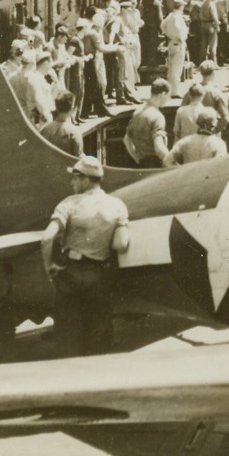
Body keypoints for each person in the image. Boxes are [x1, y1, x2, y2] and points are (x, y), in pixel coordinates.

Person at [40, 156, 130, 357]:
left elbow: (46, 238)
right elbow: (121, 244)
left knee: (68, 338)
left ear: (85, 180)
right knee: (99, 337)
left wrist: (49, 266)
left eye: (75, 178)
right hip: (99, 276)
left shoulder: (69, 204)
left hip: (70, 274)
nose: (72, 182)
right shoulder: (117, 206)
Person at [124, 79, 170, 167]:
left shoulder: (137, 112)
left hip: (141, 164)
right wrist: (173, 164)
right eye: (168, 96)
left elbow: (126, 140)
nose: (168, 99)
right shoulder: (158, 116)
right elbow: (159, 148)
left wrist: (137, 158)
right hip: (155, 165)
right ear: (162, 94)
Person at [163, 107, 228, 166]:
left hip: (189, 177)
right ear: (214, 124)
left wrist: (181, 172)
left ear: (198, 123)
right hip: (208, 177)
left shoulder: (185, 141)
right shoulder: (219, 144)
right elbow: (219, 166)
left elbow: (167, 161)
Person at [40, 93, 84, 157]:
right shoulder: (74, 132)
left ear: (57, 108)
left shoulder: (45, 129)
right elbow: (78, 159)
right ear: (72, 108)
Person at [160, 0, 188, 94]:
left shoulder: (170, 15)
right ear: (180, 6)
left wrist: (168, 33)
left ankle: (170, 90)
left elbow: (162, 25)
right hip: (178, 42)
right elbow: (178, 27)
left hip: (171, 42)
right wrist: (181, 37)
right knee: (177, 68)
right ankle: (175, 91)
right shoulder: (177, 16)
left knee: (171, 68)